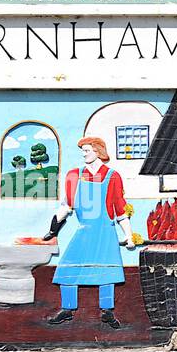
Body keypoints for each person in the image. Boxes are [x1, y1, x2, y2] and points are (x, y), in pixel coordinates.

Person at [47, 136, 135, 329]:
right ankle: (68, 310)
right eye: (83, 151)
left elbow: (120, 209)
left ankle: (107, 312)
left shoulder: (113, 176)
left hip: (105, 231)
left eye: (87, 150)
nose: (84, 154)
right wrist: (52, 229)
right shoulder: (74, 175)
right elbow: (66, 206)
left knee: (106, 273)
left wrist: (128, 235)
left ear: (98, 151)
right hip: (84, 230)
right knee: (67, 267)